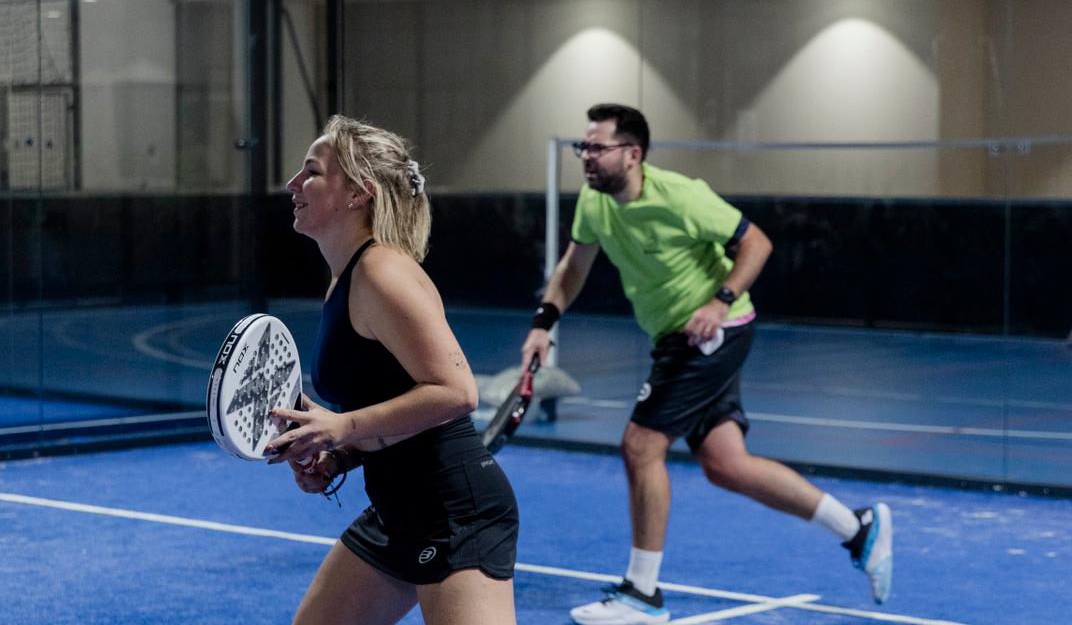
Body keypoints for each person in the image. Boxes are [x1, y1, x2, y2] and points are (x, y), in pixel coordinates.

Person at [520, 104, 893, 625]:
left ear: (633, 154)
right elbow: (574, 265)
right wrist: (544, 322)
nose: (586, 156)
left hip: (713, 331)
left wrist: (719, 300)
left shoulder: (682, 196)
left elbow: (757, 242)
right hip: (672, 334)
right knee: (726, 465)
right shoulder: (594, 201)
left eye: (597, 147)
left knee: (640, 444)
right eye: (584, 147)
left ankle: (643, 595)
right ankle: (857, 528)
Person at [266, 115, 520, 625]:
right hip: (397, 509)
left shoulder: (383, 272)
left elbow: (456, 392)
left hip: (457, 512)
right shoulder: (345, 277)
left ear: (358, 193)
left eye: (311, 172)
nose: (294, 184)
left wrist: (341, 427)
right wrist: (337, 454)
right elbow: (389, 402)